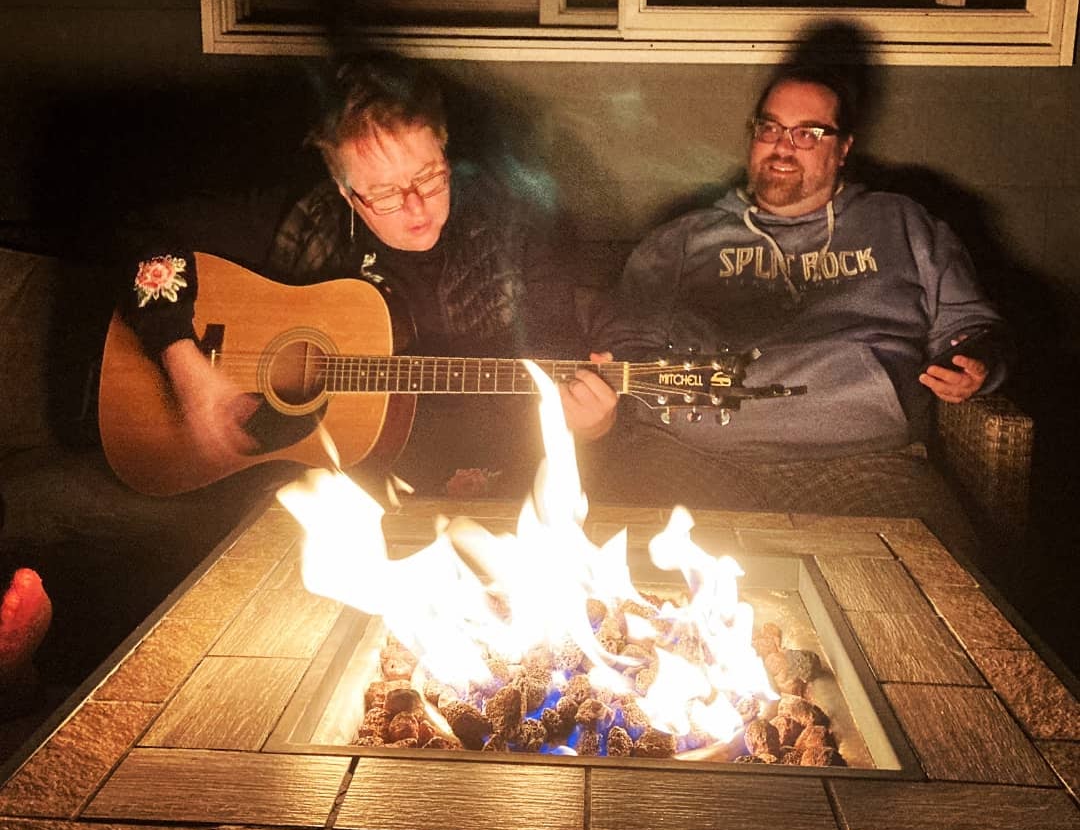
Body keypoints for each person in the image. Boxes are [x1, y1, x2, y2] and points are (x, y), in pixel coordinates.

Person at [120, 53, 616, 498]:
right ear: (342, 187)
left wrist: (589, 422)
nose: (415, 207)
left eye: (427, 176)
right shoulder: (304, 218)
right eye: (382, 192)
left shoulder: (520, 233)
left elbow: (561, 365)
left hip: (476, 489)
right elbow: (146, 234)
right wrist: (187, 370)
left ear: (445, 151)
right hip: (324, 493)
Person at [590, 67, 1010, 565]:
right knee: (623, 581)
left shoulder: (902, 224)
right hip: (692, 457)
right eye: (769, 128)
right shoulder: (683, 239)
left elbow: (972, 329)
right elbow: (626, 346)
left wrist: (974, 364)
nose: (783, 146)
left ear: (843, 148)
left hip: (865, 463)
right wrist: (601, 401)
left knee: (949, 586)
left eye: (808, 132)